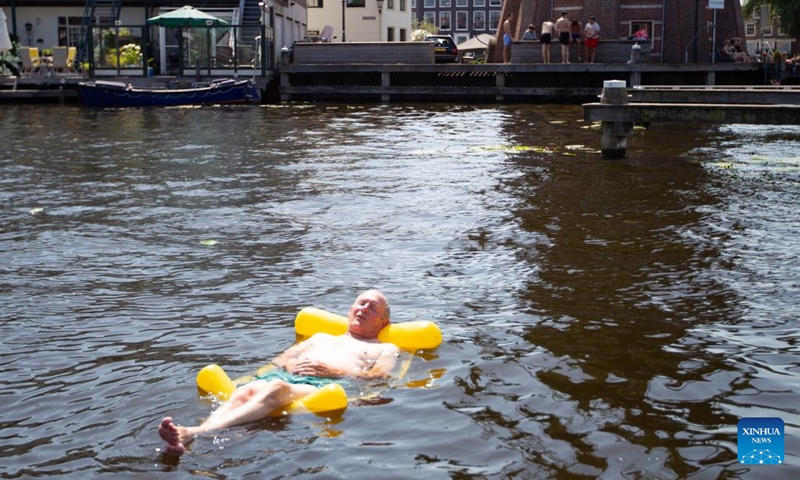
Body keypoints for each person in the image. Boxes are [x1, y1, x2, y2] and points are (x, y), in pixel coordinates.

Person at [157, 290, 399, 456]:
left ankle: (195, 431)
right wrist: (289, 366)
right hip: (291, 377)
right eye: (361, 303)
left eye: (372, 307)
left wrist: (332, 370)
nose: (363, 309)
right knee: (247, 390)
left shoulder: (384, 347)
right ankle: (187, 439)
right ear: (350, 309)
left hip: (325, 383)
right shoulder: (320, 337)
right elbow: (282, 359)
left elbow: (380, 375)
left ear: (383, 322)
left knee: (276, 388)